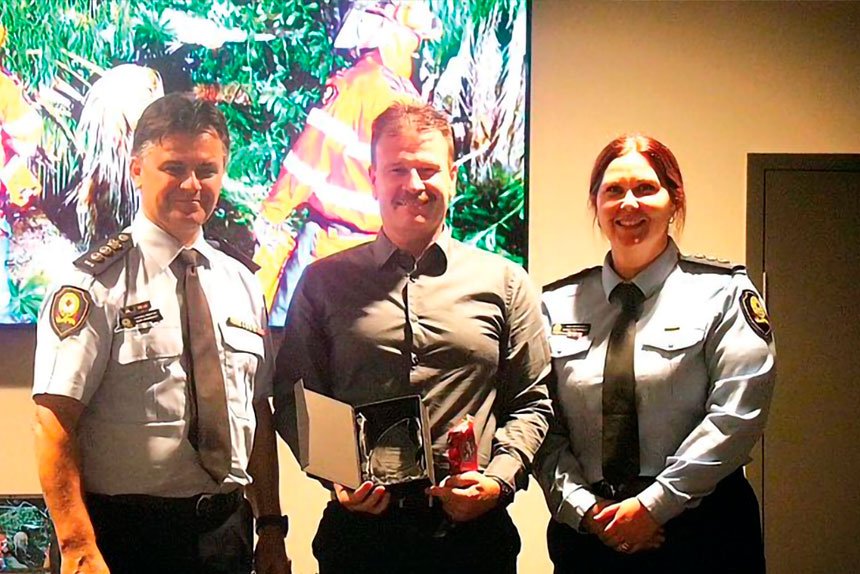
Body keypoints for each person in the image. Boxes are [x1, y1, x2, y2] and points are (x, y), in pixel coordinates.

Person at [273, 101, 551, 574]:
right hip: (359, 538)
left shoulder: (505, 282)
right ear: (374, 177)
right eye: (397, 169)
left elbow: (532, 401)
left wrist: (499, 481)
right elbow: (295, 398)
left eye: (428, 169)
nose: (414, 185)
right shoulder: (323, 282)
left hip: (473, 540)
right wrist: (336, 477)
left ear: (453, 178)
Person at [32, 93, 290, 574]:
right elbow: (53, 420)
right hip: (123, 538)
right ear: (136, 168)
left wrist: (271, 526)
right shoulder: (93, 285)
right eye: (173, 167)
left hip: (227, 534)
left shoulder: (241, 283)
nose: (191, 185)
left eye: (207, 170)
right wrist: (76, 544)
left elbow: (256, 412)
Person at [535, 134, 776, 573]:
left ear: (674, 200)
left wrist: (652, 507)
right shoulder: (555, 303)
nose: (629, 203)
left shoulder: (723, 292)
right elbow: (541, 423)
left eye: (646, 188)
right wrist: (583, 509)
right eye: (613, 190)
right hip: (591, 535)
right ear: (596, 204)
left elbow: (737, 416)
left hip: (702, 529)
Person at [252, 0, 440, 325]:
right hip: (384, 253)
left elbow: (309, 158)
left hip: (329, 245)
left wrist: (270, 215)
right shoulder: (409, 96)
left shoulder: (355, 84)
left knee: (283, 329)